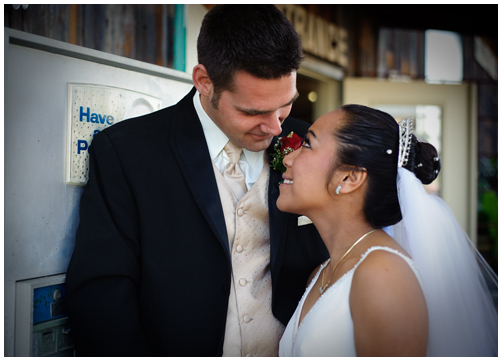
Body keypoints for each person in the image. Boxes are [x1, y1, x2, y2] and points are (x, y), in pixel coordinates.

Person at [65, 5, 328, 357]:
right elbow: (102, 291)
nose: (275, 127)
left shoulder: (310, 145)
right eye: (253, 112)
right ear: (204, 81)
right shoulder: (127, 151)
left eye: (285, 105)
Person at [277, 104, 498, 357]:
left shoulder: (383, 275)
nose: (288, 158)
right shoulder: (321, 273)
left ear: (349, 178)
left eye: (308, 144)